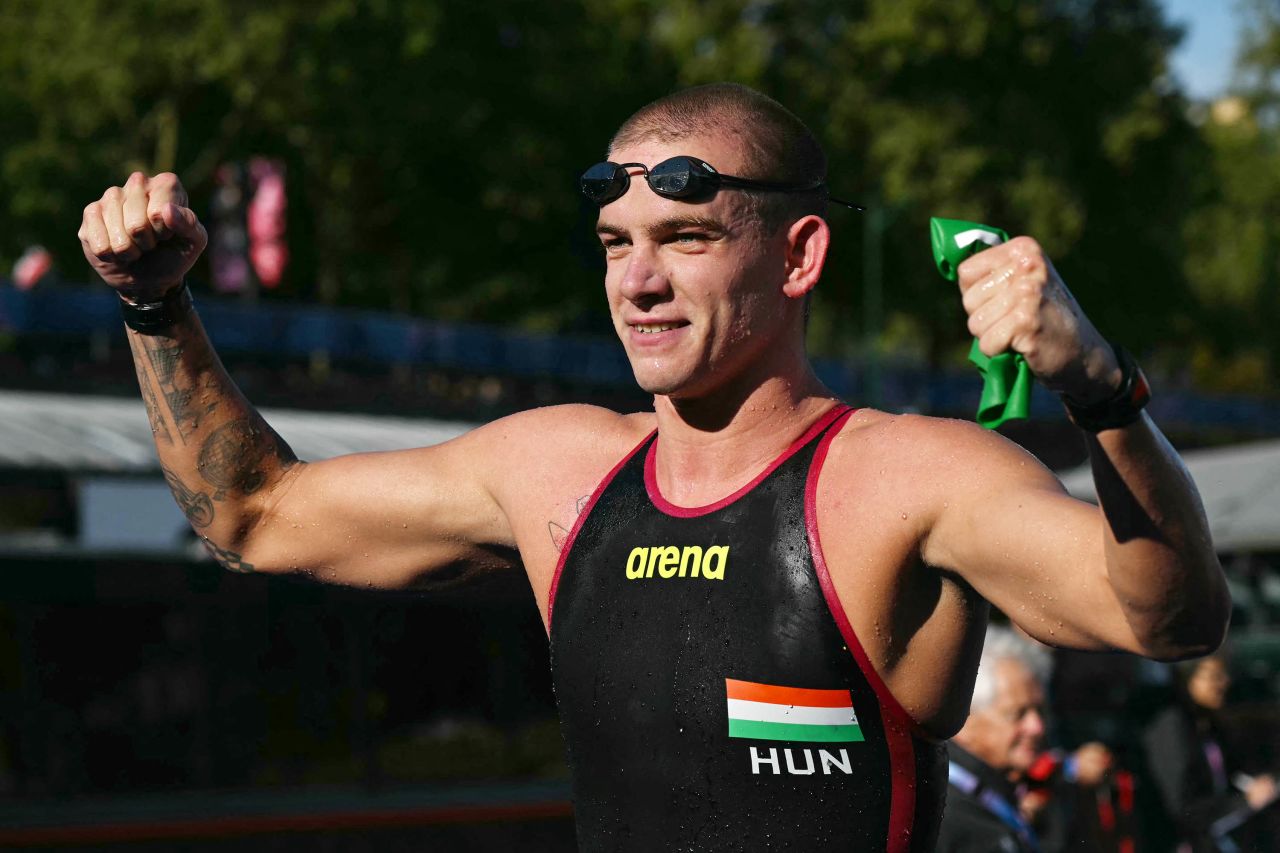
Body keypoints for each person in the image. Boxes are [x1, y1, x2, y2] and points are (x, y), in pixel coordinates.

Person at [76, 82, 1228, 852]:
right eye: (616, 246)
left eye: (684, 239)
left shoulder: (907, 480)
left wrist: (1098, 391)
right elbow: (251, 515)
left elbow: (1167, 617)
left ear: (799, 254)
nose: (637, 283)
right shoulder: (554, 470)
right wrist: (154, 305)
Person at [1142, 654, 1278, 852]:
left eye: (1224, 675)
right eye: (1214, 676)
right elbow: (1183, 808)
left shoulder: (1208, 725)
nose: (1224, 682)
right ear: (1188, 679)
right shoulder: (1172, 727)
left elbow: (1228, 776)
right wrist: (1245, 801)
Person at [937, 625, 1052, 852]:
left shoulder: (993, 797)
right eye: (1017, 714)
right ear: (965, 720)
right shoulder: (942, 817)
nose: (1037, 727)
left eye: (1039, 711)